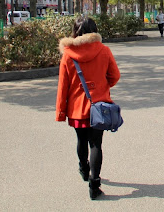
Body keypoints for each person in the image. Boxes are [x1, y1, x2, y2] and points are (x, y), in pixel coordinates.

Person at [56, 16, 121, 201]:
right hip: (99, 106)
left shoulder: (68, 54)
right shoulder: (104, 50)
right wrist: (101, 86)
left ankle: (84, 169)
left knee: (81, 140)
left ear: (75, 31)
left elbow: (63, 86)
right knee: (96, 145)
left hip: (77, 108)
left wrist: (61, 111)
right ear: (94, 30)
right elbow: (115, 76)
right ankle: (95, 185)